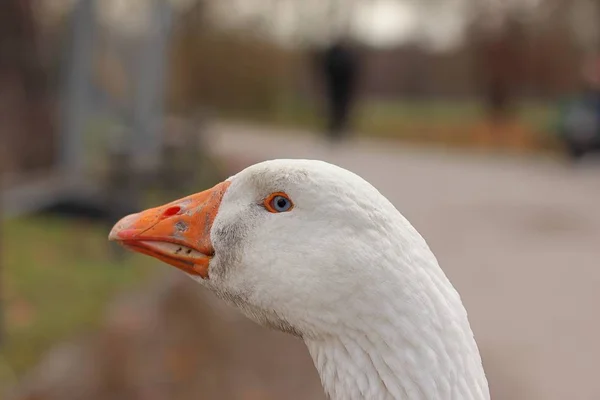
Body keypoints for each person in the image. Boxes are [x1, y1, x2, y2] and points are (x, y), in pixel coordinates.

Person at [319, 39, 360, 142]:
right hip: (340, 87)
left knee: (336, 109)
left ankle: (336, 129)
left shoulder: (333, 55)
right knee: (340, 109)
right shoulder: (345, 55)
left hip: (336, 87)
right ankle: (338, 129)